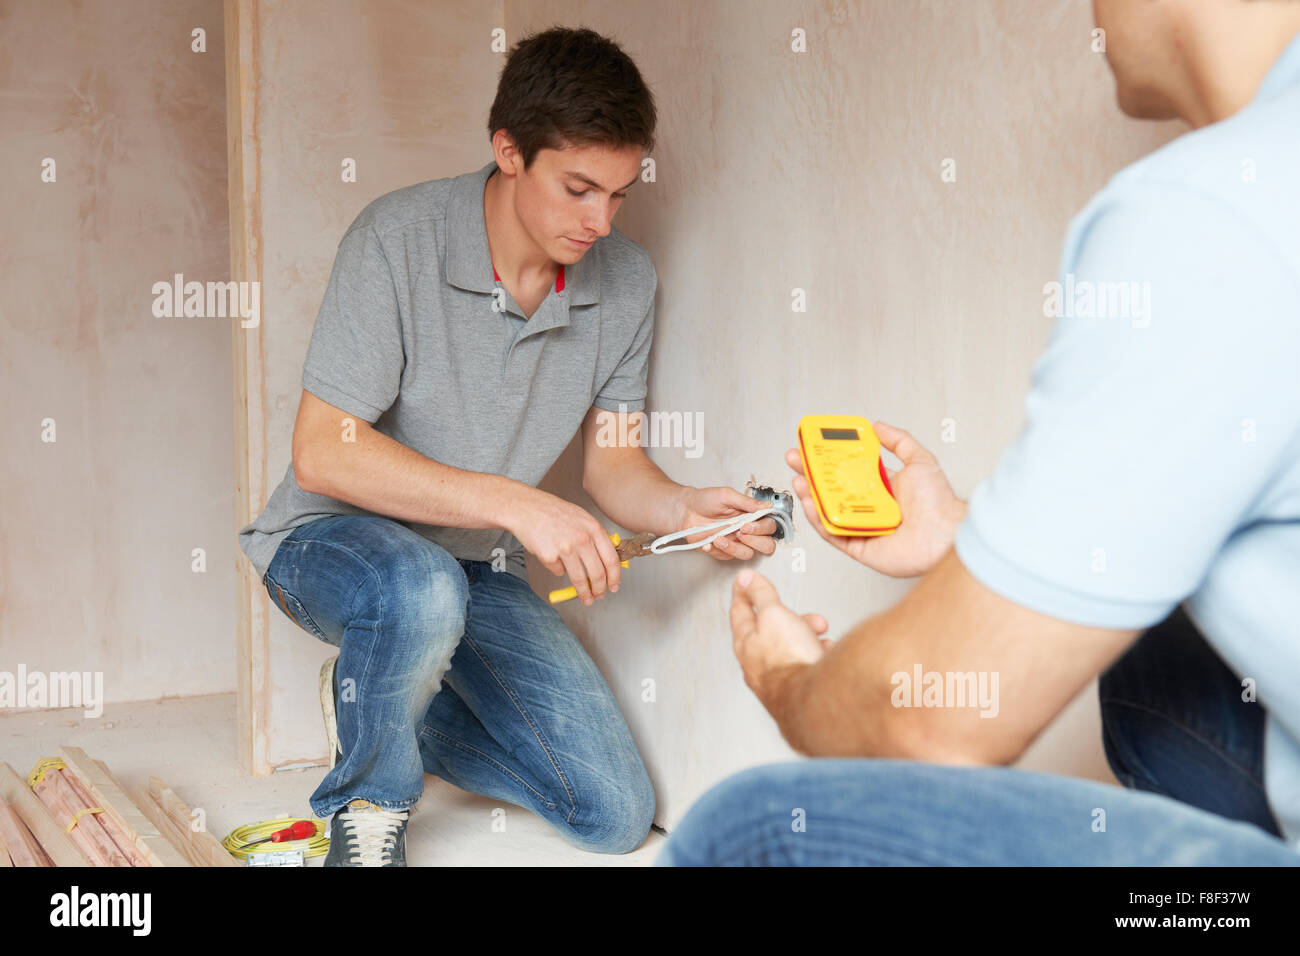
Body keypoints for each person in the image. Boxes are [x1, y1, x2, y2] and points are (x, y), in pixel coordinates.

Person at [659, 0, 1300, 866]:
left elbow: (927, 727)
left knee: (750, 833)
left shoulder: (1212, 208)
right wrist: (965, 536)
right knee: (1151, 641)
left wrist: (789, 677)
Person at [238, 27, 778, 866]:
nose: (600, 220)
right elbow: (324, 452)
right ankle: (367, 813)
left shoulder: (626, 284)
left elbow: (614, 466)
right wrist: (517, 503)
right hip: (325, 544)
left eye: (621, 194)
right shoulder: (396, 238)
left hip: (472, 569)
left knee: (613, 813)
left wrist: (685, 508)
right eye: (579, 188)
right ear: (509, 150)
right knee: (416, 588)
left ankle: (384, 698)